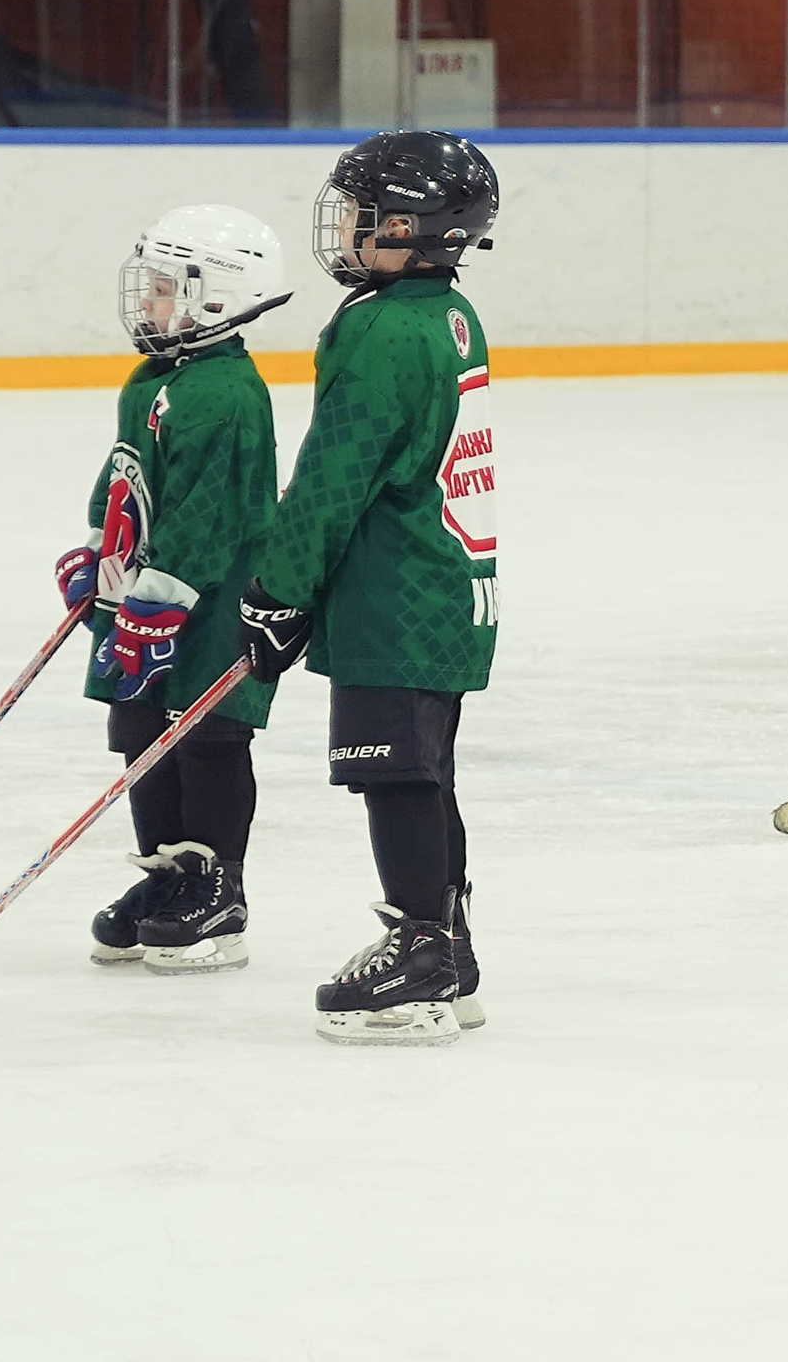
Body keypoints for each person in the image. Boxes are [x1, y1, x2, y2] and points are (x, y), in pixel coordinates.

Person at [237, 130, 501, 1047]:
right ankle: (451, 947)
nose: (344, 226)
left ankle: (423, 952)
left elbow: (331, 478)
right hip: (446, 589)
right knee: (426, 773)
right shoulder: (445, 312)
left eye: (361, 211)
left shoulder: (378, 328)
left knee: (394, 776)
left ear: (411, 227)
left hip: (396, 593)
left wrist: (277, 591)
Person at [60, 204, 292, 966]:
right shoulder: (152, 379)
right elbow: (125, 475)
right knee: (138, 733)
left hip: (213, 602)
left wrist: (157, 604)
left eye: (165, 287)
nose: (148, 300)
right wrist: (102, 555)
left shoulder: (226, 393)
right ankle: (166, 873)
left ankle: (216, 887)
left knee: (207, 738)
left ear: (218, 296)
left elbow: (208, 518)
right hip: (145, 598)